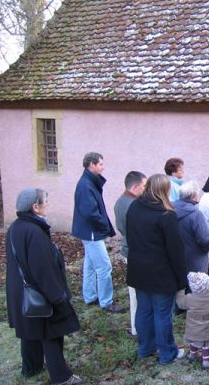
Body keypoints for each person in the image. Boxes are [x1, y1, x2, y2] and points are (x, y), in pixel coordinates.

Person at [6, 188, 82, 385]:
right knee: (51, 333)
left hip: (21, 292)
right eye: (45, 201)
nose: (47, 204)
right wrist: (58, 297)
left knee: (29, 329)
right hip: (39, 292)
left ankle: (31, 367)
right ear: (35, 207)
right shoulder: (34, 232)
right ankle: (61, 377)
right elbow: (43, 270)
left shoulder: (16, 227)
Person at [126, 174, 187, 365]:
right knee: (161, 313)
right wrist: (182, 278)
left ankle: (145, 348)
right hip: (160, 273)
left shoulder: (134, 207)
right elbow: (175, 250)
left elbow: (130, 236)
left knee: (144, 310)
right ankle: (167, 353)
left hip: (139, 269)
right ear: (165, 190)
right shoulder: (166, 215)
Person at [71, 152, 124, 313]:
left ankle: (90, 296)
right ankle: (106, 302)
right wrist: (104, 226)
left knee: (91, 265)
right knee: (104, 267)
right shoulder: (86, 185)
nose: (103, 166)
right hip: (91, 232)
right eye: (100, 164)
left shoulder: (89, 182)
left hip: (88, 231)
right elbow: (90, 213)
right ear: (91, 165)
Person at [113, 171, 147, 336]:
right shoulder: (133, 205)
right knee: (137, 294)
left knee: (135, 292)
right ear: (135, 186)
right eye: (144, 185)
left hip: (129, 249)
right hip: (135, 252)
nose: (145, 189)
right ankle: (137, 328)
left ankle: (137, 326)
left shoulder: (120, 201)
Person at [175, 272, 209, 369]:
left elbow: (180, 303)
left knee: (193, 341)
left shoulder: (189, 298)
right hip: (207, 331)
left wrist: (180, 291)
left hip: (192, 329)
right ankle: (206, 362)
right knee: (205, 345)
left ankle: (192, 355)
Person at [173, 180, 209, 275]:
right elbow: (205, 240)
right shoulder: (196, 214)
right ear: (193, 196)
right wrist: (204, 251)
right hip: (194, 259)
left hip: (175, 257)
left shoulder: (170, 209)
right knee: (194, 287)